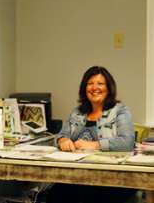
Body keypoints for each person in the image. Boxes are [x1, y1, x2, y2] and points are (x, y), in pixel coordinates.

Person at [47, 66, 136, 203]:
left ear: (109, 88)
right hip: (77, 175)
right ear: (84, 88)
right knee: (55, 193)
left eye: (100, 83)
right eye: (90, 84)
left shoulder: (120, 111)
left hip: (112, 176)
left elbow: (127, 142)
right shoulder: (77, 112)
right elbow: (61, 135)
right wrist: (63, 140)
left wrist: (93, 145)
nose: (94, 87)